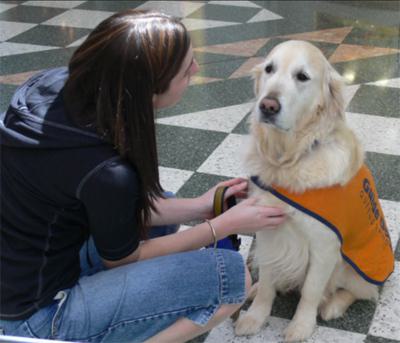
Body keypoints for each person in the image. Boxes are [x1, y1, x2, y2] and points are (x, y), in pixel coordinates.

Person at [0, 9, 285, 343]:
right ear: (149, 92)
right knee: (232, 278)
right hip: (37, 317)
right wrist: (223, 225)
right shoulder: (107, 173)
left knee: (163, 211)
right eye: (185, 71)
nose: (195, 69)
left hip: (26, 271)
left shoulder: (54, 87)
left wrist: (198, 206)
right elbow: (123, 259)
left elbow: (97, 199)